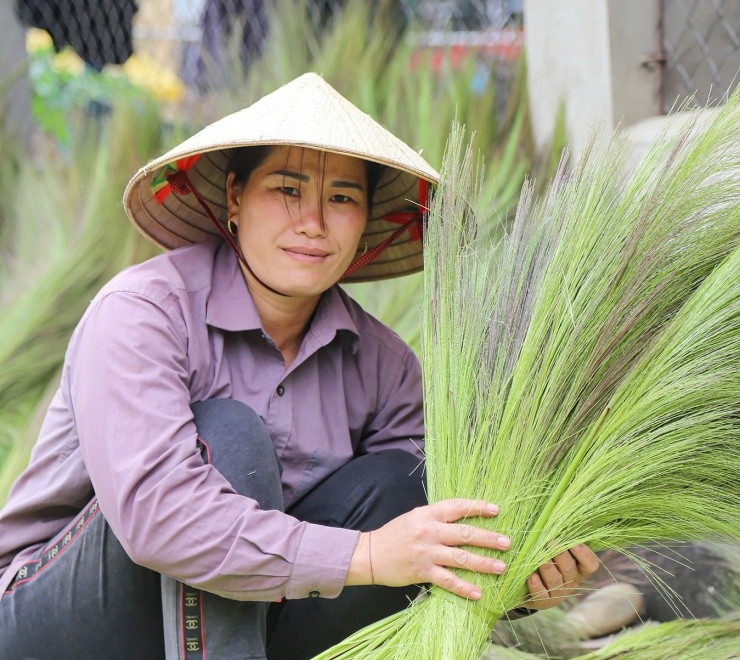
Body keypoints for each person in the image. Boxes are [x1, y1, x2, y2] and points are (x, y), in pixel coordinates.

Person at [0, 73, 599, 659]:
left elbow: (422, 531)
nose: (313, 223)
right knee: (227, 436)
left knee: (405, 484)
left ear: (365, 222)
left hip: (251, 618)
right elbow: (158, 519)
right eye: (287, 190)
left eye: (341, 198)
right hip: (57, 617)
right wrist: (366, 557)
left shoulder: (382, 364)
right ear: (235, 198)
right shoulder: (143, 314)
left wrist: (523, 578)